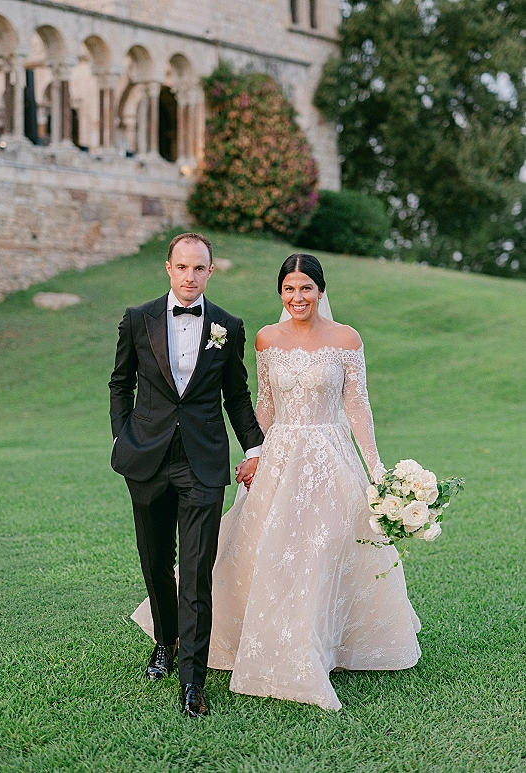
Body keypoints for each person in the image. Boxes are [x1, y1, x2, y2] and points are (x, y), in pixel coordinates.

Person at [133, 253, 421, 711]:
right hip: (280, 457)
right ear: (281, 293)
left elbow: (357, 407)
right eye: (289, 288)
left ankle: (325, 647)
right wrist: (255, 454)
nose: (297, 296)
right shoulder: (267, 339)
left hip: (330, 457)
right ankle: (210, 637)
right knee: (265, 548)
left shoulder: (347, 338)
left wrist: (377, 471)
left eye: (306, 287)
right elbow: (262, 405)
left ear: (321, 291)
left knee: (323, 551)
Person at [109, 233, 264, 717]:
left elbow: (236, 395)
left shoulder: (228, 326)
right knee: (155, 562)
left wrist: (256, 445)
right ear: (168, 268)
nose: (190, 277)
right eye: (182, 267)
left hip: (204, 462)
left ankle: (193, 683)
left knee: (196, 574)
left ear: (211, 272)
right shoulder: (139, 319)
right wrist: (121, 436)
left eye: (199, 269)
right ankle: (164, 640)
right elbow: (121, 382)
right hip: (147, 458)